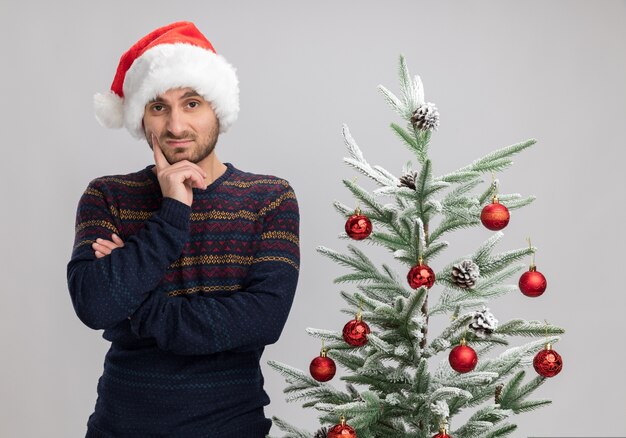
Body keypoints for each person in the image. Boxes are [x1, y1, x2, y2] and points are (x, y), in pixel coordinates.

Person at [66, 21, 300, 437]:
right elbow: (96, 305)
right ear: (142, 116)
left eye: (191, 103)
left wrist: (140, 305)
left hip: (231, 428)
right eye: (159, 107)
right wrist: (173, 210)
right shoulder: (108, 195)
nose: (175, 127)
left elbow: (263, 321)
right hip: (119, 428)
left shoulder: (269, 198)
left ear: (218, 111)